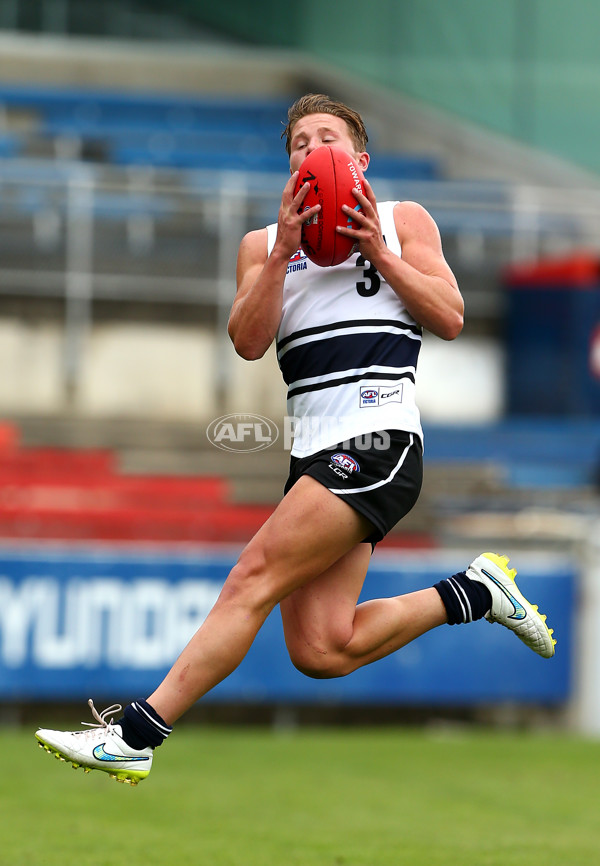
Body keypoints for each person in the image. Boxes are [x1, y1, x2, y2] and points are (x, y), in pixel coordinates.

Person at [35, 94, 556, 785]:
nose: (312, 148)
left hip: (378, 442)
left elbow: (452, 316)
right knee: (321, 647)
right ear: (291, 168)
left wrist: (377, 251)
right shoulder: (262, 244)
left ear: (358, 162)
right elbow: (248, 341)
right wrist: (284, 250)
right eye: (299, 143)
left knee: (250, 576)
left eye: (327, 138)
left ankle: (136, 734)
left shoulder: (404, 221)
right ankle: (476, 593)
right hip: (315, 452)